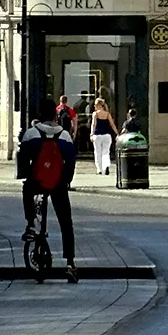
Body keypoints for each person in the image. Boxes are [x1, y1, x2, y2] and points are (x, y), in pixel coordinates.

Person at [17, 110, 79, 282]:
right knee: (66, 222)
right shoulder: (64, 135)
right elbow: (71, 161)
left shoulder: (31, 133)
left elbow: (22, 158)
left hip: (37, 182)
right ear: (55, 117)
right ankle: (70, 264)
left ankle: (31, 224)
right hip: (58, 183)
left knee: (27, 191)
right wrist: (66, 180)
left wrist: (28, 175)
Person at [90, 98, 119, 175]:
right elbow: (112, 125)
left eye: (95, 105)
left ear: (99, 105)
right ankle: (105, 167)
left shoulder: (95, 114)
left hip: (97, 135)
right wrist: (117, 133)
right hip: (107, 135)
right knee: (106, 152)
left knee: (97, 152)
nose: (94, 106)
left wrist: (91, 134)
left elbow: (93, 124)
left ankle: (99, 169)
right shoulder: (107, 114)